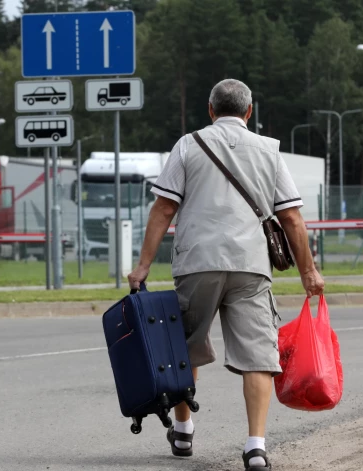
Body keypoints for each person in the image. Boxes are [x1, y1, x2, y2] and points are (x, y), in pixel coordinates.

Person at [127, 78, 325, 470]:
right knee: (257, 356)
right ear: (250, 112)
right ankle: (255, 447)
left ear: (210, 109)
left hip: (197, 261)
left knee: (185, 347)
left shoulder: (188, 144)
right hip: (251, 265)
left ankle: (183, 432)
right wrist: (309, 272)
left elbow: (164, 210)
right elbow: (291, 218)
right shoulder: (269, 151)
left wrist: (143, 265)